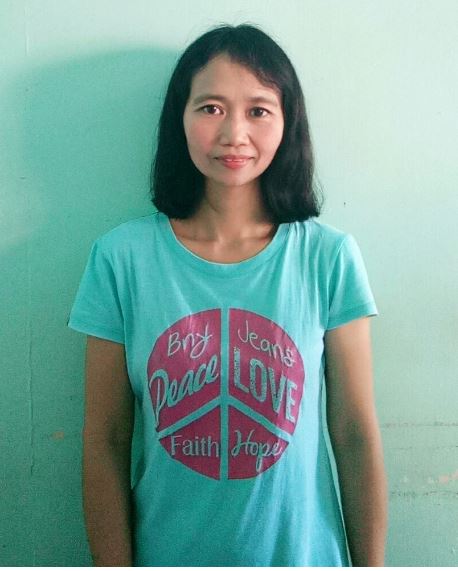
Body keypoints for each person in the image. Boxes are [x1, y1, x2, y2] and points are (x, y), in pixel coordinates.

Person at [67, 23, 387, 566]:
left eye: (259, 110)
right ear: (180, 118)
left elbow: (355, 434)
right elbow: (106, 441)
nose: (234, 133)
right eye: (211, 108)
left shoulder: (328, 257)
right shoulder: (120, 260)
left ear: (287, 122)